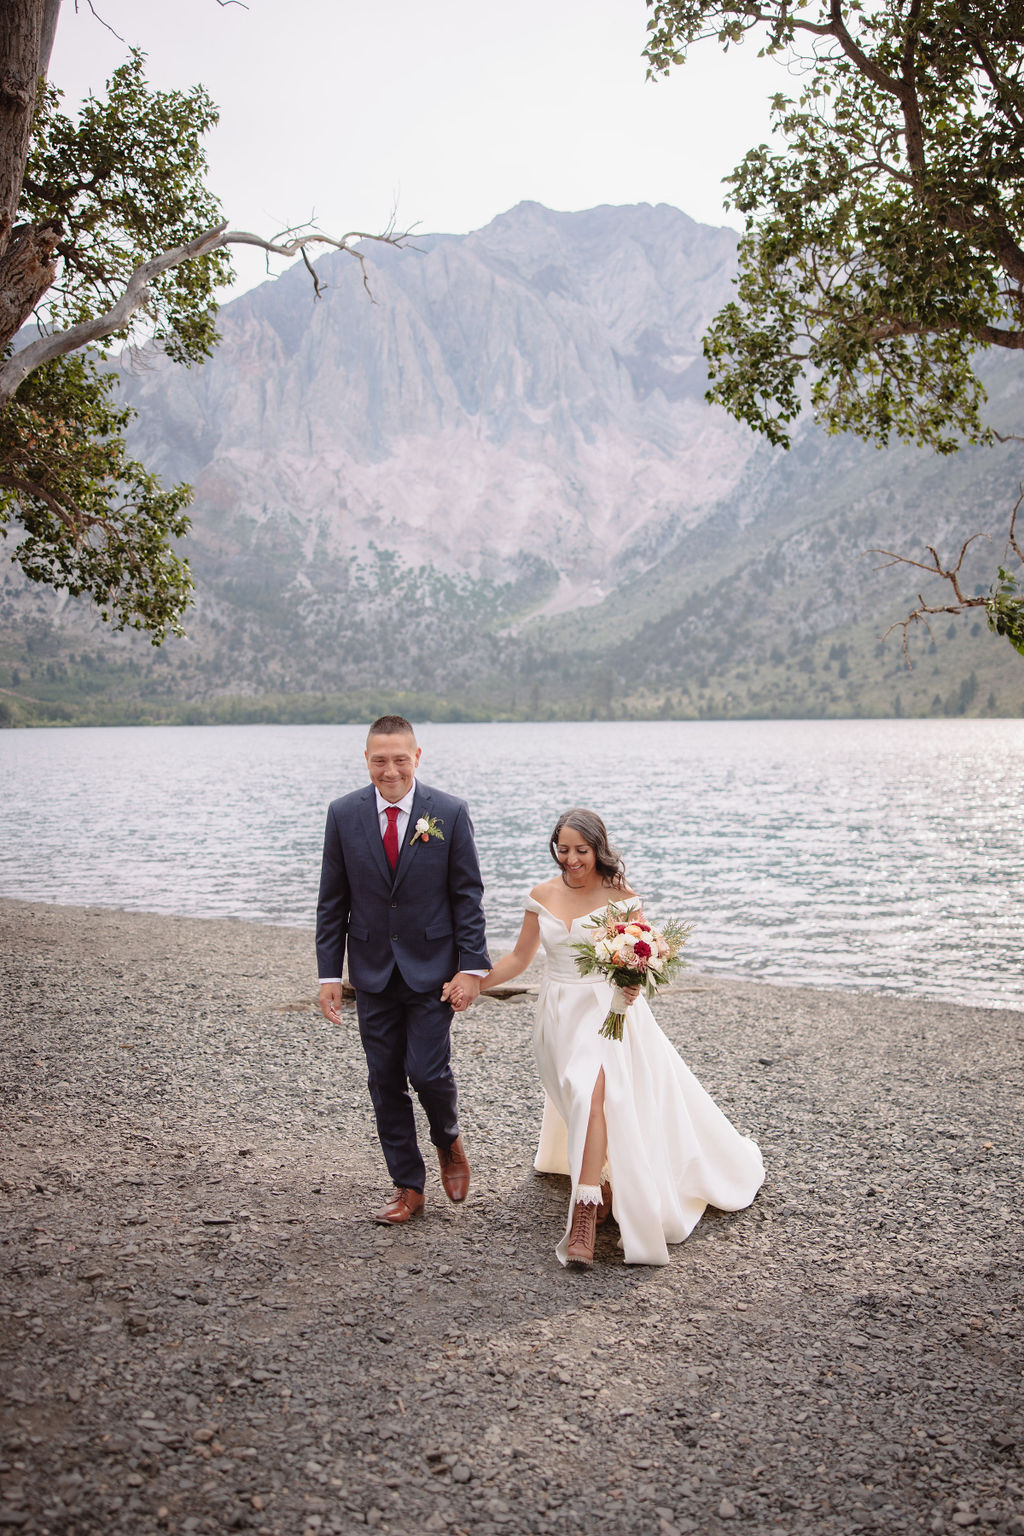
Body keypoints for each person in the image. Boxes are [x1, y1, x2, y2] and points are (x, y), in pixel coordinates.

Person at [449, 808, 764, 1267]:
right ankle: (602, 1180)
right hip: (558, 1015)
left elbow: (642, 957)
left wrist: (636, 981)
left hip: (609, 1012)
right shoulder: (541, 895)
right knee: (577, 1097)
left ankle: (585, 1211)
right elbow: (519, 959)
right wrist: (475, 982)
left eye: (581, 850)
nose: (572, 859)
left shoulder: (623, 898)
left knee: (594, 1092)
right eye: (563, 849)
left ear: (598, 849)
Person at [316, 715, 490, 1225]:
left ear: (418, 756)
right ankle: (408, 1185)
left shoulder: (449, 813)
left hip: (433, 971)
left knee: (427, 1071)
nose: (389, 770)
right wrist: (330, 975)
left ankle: (447, 1139)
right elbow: (333, 901)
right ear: (366, 759)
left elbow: (467, 897)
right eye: (378, 760)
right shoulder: (343, 814)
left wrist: (472, 969)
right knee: (384, 1078)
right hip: (371, 971)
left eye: (399, 759)